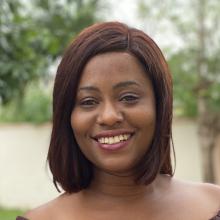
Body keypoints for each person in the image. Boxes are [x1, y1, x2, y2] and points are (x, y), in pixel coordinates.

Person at [17, 21, 220, 220]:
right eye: (88, 101)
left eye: (128, 97)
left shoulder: (213, 206)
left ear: (160, 107)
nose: (109, 117)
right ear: (67, 116)